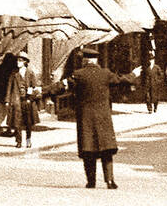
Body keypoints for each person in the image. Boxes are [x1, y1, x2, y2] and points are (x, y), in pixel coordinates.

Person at [43, 48, 122, 189]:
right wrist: (134, 74)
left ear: (85, 60)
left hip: (86, 118)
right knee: (106, 150)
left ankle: (91, 181)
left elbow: (61, 86)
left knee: (88, 150)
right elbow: (121, 80)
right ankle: (110, 181)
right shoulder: (106, 74)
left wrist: (43, 91)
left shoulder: (78, 75)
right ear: (96, 60)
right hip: (103, 119)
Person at [18, 51, 40, 145]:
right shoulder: (15, 73)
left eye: (20, 60)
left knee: (28, 122)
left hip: (27, 100)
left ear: (25, 62)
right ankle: (18, 141)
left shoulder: (30, 72)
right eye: (17, 60)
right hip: (18, 99)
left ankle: (28, 140)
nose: (18, 62)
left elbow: (33, 85)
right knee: (17, 121)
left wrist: (29, 97)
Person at [142, 43, 159, 114]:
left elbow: (161, 75)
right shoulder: (147, 68)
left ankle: (155, 107)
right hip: (148, 84)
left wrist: (158, 81)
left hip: (155, 83)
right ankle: (149, 109)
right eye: (150, 60)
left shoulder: (157, 67)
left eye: (152, 60)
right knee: (147, 97)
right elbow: (144, 75)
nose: (150, 61)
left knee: (155, 97)